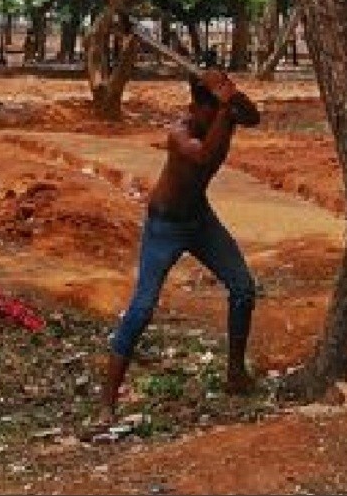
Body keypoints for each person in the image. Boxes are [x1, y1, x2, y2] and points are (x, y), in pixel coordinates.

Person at [99, 70, 262, 424]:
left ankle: (236, 375)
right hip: (166, 225)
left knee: (243, 288)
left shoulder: (225, 114)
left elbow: (254, 117)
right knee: (141, 310)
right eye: (209, 110)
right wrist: (223, 109)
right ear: (196, 107)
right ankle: (107, 403)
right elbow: (202, 157)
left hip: (199, 219)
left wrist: (233, 96)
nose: (209, 116)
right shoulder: (180, 132)